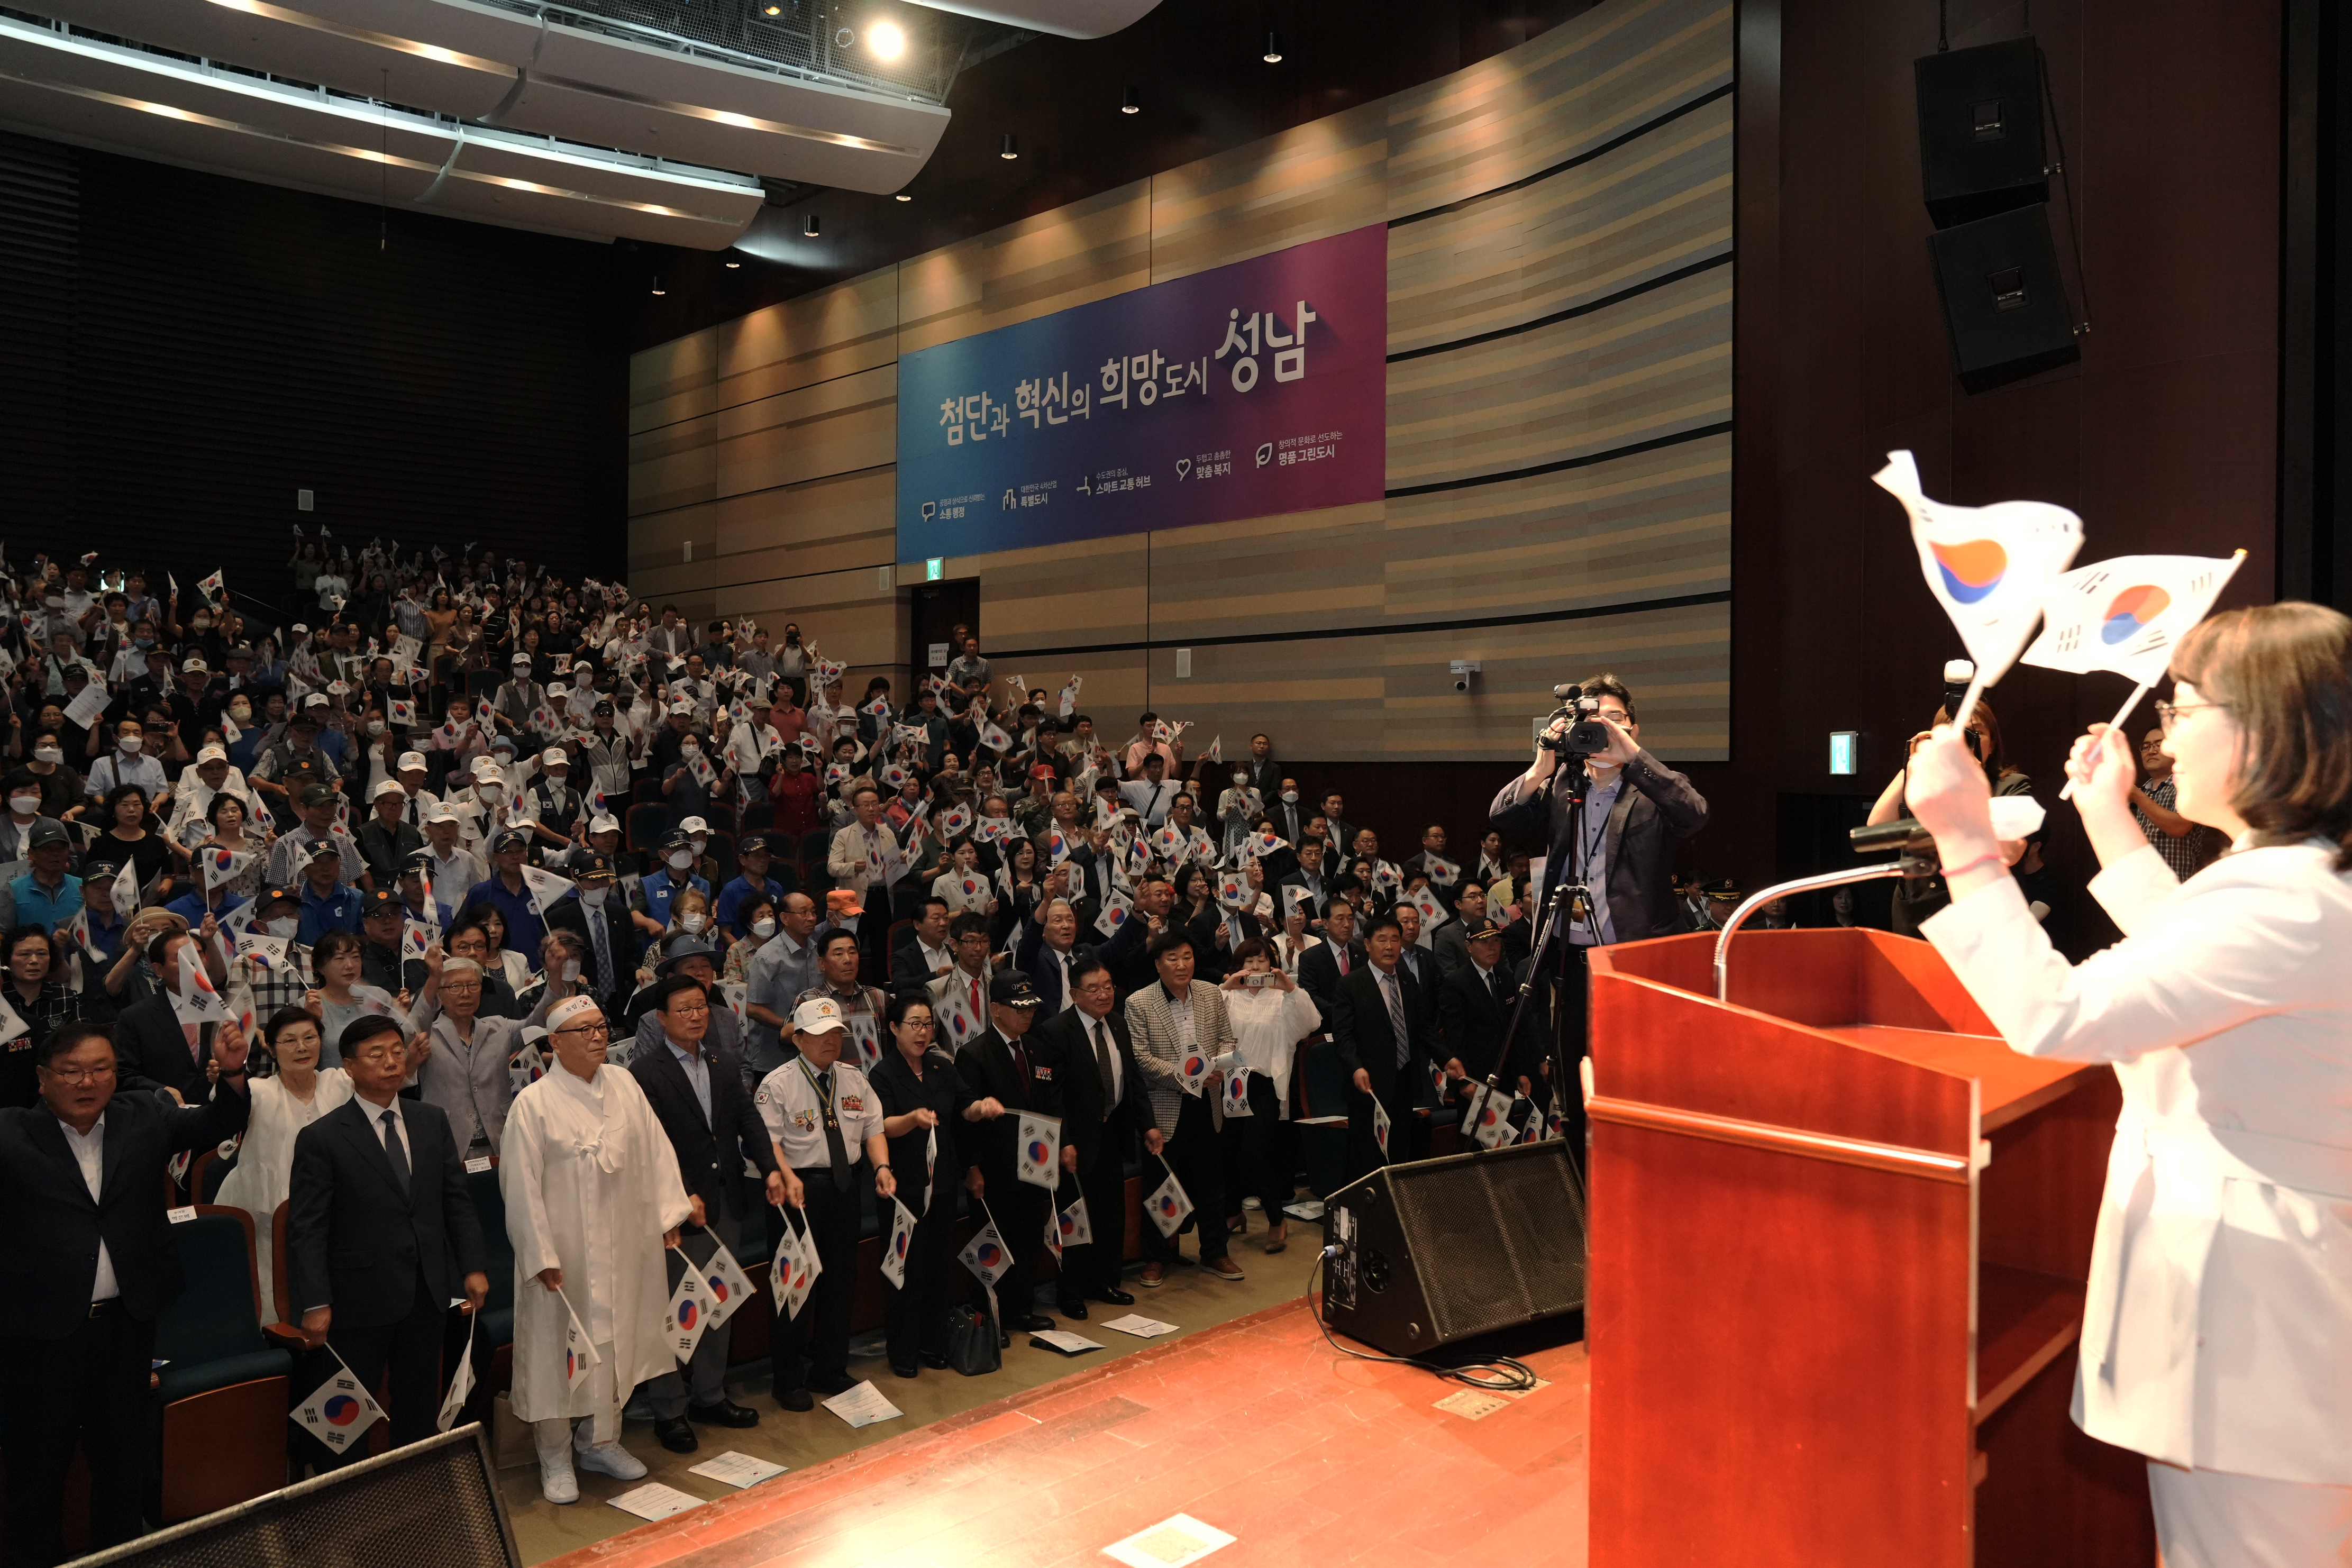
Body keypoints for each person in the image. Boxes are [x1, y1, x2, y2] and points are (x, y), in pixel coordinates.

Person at [1902, 603, 2352, 1564]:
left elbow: (2058, 1017)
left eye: (2186, 710)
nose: (2163, 736)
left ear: (2270, 730)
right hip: (2266, 1299)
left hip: (2253, 1319)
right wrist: (2107, 816)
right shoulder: (2290, 879)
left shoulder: (2280, 898)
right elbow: (2198, 960)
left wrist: (1963, 842)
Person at [0, 1017, 250, 1563]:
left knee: (122, 1465)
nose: (86, 1082)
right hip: (40, 1336)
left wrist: (232, 1074)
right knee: (38, 1471)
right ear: (43, 1078)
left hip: (127, 1329)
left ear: (117, 1075)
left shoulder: (145, 1117)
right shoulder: (10, 1134)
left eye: (99, 1069)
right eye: (70, 1071)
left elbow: (216, 1123)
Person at [1487, 673, 1708, 1143]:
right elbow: (1503, 815)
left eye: (1615, 720)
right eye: (1593, 721)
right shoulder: (1566, 782)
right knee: (1572, 1079)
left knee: (1636, 1081)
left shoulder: (1655, 788)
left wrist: (1631, 758)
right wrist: (1541, 765)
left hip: (1632, 961)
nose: (1603, 729)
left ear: (1633, 728)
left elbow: (1695, 815)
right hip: (1572, 959)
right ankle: (1580, 1186)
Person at [502, 992, 693, 1504]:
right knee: (556, 1354)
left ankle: (600, 1441)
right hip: (566, 1258)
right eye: (582, 1030)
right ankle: (556, 1455)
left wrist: (668, 1216)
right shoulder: (534, 1104)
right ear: (555, 1043)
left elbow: (656, 1150)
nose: (596, 1037)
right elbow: (519, 1185)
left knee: (617, 1345)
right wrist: (540, 1254)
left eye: (601, 1027)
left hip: (625, 1243)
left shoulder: (625, 1084)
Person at [286, 1014, 488, 1465]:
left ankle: (412, 1486)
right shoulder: (322, 1138)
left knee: (417, 1402)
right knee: (348, 1409)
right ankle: (347, 1498)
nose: (392, 1062)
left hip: (427, 1289)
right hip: (357, 1299)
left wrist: (472, 1267)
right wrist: (315, 1302)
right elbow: (307, 1229)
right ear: (350, 1068)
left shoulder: (430, 1120)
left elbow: (455, 1201)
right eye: (377, 1055)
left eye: (397, 1052)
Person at [629, 973, 786, 1451]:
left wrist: (773, 1168)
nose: (696, 1015)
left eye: (701, 1007)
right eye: (684, 1009)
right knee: (677, 1311)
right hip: (679, 1214)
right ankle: (669, 1410)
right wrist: (680, 1193)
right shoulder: (645, 1074)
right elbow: (650, 1146)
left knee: (720, 1301)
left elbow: (747, 1120)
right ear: (661, 1019)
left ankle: (710, 1394)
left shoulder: (723, 1060)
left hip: (727, 1202)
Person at [753, 996, 896, 1410]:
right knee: (794, 1285)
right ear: (798, 1039)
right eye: (820, 1035)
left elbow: (873, 1128)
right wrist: (789, 1176)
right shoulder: (777, 1083)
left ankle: (829, 1367)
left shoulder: (853, 1078)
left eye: (836, 1033)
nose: (830, 1042)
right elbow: (768, 1143)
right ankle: (788, 1376)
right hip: (798, 1192)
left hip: (845, 1187)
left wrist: (882, 1167)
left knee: (841, 1279)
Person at [868, 990, 1002, 1376]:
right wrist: (913, 1118)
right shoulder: (882, 1074)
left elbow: (967, 1107)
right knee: (904, 1273)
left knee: (937, 1269)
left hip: (942, 1185)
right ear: (894, 1028)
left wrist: (983, 1108)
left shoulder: (942, 1067)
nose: (923, 1032)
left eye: (928, 1024)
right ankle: (903, 1352)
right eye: (914, 1024)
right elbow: (881, 1127)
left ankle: (934, 1343)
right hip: (903, 1189)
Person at [1033, 955, 1159, 1311]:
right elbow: (1051, 1096)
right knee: (1076, 1219)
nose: (1104, 995)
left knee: (1110, 1217)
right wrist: (1064, 1141)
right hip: (1075, 1144)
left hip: (1111, 1137)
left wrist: (1147, 1125)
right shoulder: (1056, 1031)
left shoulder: (1117, 1025)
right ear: (1075, 994)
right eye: (1094, 989)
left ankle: (1105, 1282)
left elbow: (1132, 1081)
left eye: (1107, 987)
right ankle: (1071, 1292)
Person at [1125, 929, 1245, 1287]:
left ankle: (1214, 1252)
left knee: (1212, 1184)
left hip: (1207, 1105)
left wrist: (1217, 1068)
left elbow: (1227, 1037)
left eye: (1188, 957)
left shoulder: (1210, 992)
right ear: (1158, 964)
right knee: (1161, 1188)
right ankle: (1156, 1258)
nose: (1182, 965)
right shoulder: (1139, 1002)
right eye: (1173, 959)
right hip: (1164, 1109)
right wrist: (1191, 1078)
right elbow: (1142, 1060)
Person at [216, 1008, 351, 1320]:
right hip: (269, 1224)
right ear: (272, 1048)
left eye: (309, 1038)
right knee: (275, 1305)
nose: (301, 1048)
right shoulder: (257, 1091)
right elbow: (225, 1107)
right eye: (289, 1041)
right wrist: (229, 1071)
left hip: (337, 1216)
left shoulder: (341, 1083)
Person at [953, 972, 1065, 1331]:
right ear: (996, 1009)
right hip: (994, 1168)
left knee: (1028, 1239)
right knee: (991, 1243)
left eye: (1031, 1007)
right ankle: (987, 1318)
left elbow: (1049, 1105)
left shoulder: (1037, 1050)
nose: (1027, 1014)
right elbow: (964, 1118)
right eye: (1019, 1009)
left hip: (1035, 1166)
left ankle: (1020, 1309)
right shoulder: (974, 1054)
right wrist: (972, 1167)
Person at [1217, 939, 1321, 1252]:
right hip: (1229, 1081)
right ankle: (1234, 1211)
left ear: (1272, 964)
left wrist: (1290, 987)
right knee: (1229, 1152)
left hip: (1264, 1084)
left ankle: (1277, 1219)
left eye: (1261, 960)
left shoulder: (1282, 999)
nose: (1255, 967)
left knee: (1253, 1152)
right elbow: (1204, 1025)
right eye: (1248, 961)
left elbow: (1312, 1023)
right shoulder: (1228, 997)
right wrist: (1226, 988)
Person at [1331, 911, 1432, 1179]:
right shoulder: (1350, 984)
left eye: (1395, 940)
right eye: (1382, 940)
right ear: (1367, 945)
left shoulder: (1408, 980)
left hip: (1404, 1081)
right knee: (1367, 1155)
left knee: (1399, 1151)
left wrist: (1448, 1059)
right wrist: (1355, 1068)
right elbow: (1343, 1035)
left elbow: (1423, 1029)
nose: (1389, 946)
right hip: (1369, 1085)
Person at [0, 928, 111, 1109]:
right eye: (24, 954)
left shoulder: (65, 997)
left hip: (62, 1087)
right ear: (7, 960)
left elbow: (85, 1044)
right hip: (10, 1092)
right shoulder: (1, 1000)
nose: (34, 961)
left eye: (42, 954)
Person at [2128, 723, 2218, 881]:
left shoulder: (2189, 786)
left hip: (2176, 889)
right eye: (2146, 746)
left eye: (2159, 744)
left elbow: (2179, 827)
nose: (2152, 750)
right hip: (2139, 888)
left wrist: (2136, 796)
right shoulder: (2138, 793)